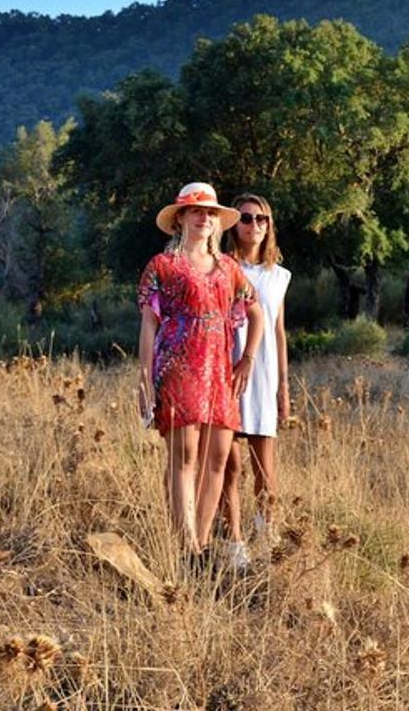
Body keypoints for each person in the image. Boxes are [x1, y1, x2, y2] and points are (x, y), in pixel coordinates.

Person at [137, 182, 264, 569]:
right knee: (185, 457)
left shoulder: (228, 268)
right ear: (180, 218)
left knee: (218, 459)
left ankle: (202, 545)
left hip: (219, 372)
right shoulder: (162, 266)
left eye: (210, 212)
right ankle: (187, 546)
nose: (204, 218)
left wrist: (248, 358)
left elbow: (256, 311)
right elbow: (149, 324)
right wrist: (144, 378)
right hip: (177, 368)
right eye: (196, 211)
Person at [221, 193, 291, 563]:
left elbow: (278, 331)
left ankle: (267, 535)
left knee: (266, 468)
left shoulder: (278, 276)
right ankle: (234, 543)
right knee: (230, 467)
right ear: (234, 224)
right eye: (246, 218)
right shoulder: (221, 267)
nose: (254, 225)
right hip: (228, 372)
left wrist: (284, 386)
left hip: (263, 375)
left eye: (262, 219)